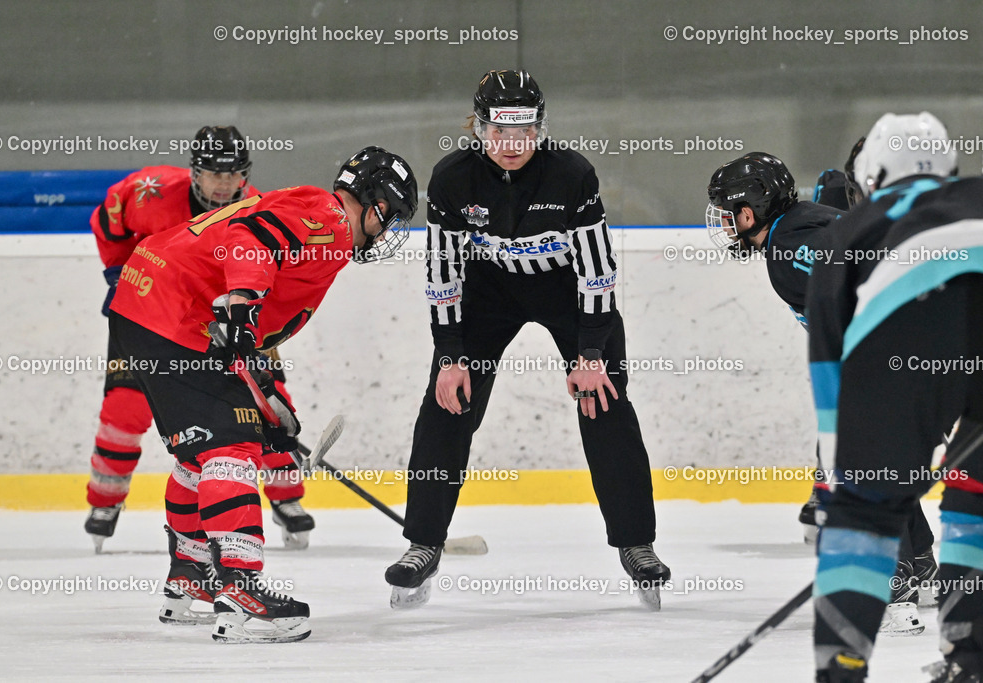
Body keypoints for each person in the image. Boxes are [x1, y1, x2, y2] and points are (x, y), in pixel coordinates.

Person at [385, 69, 670, 611]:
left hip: (566, 290)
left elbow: (597, 270)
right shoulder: (451, 179)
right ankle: (423, 543)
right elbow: (443, 271)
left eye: (524, 132)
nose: (511, 145)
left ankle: (637, 543)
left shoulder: (572, 174)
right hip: (488, 292)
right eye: (499, 132)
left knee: (605, 401)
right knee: (447, 403)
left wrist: (591, 353)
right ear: (479, 128)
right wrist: (450, 354)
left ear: (540, 128)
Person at [107, 146, 418, 642]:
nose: (387, 231)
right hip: (173, 314)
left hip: (151, 304)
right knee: (230, 448)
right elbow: (249, 240)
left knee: (199, 451)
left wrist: (268, 396)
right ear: (374, 202)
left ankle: (190, 579)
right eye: (391, 216)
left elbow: (247, 334)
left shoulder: (318, 221)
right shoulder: (330, 219)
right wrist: (243, 304)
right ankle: (241, 592)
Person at [706, 150, 938, 635]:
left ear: (750, 212)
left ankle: (892, 591)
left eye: (728, 214)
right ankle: (922, 567)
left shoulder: (789, 250)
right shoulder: (799, 226)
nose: (724, 225)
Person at [804, 112, 983, 681]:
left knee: (861, 514)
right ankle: (972, 660)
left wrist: (847, 490)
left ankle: (841, 671)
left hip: (903, 341)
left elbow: (831, 370)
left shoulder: (849, 231)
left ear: (872, 176)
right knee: (975, 494)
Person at [84, 126, 314, 552]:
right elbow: (106, 222)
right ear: (194, 172)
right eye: (214, 174)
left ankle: (287, 496)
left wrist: (248, 322)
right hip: (148, 316)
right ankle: (105, 500)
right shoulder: (150, 192)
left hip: (224, 322)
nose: (224, 184)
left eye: (233, 174)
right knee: (124, 409)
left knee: (269, 402)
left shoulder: (259, 210)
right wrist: (119, 274)